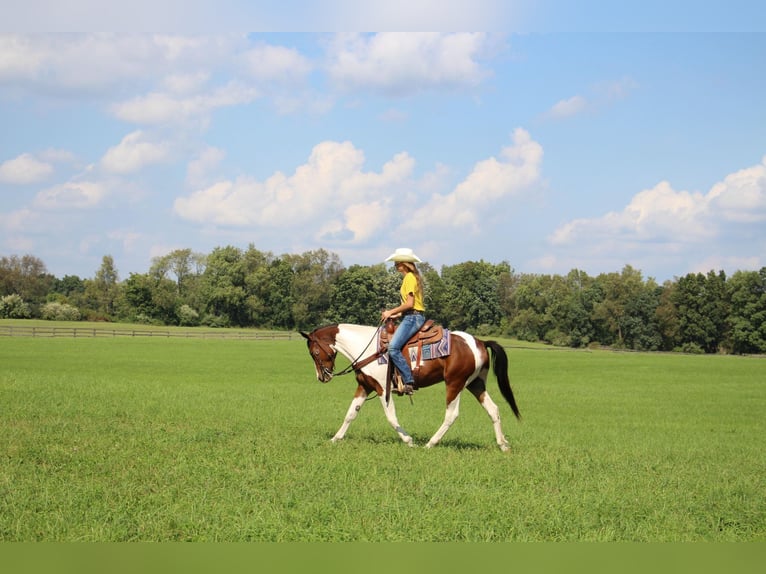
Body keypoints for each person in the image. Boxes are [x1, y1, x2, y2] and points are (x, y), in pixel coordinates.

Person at [381, 248, 426, 395]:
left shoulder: (409, 278)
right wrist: (398, 315)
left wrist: (390, 312)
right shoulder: (411, 277)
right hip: (410, 316)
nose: (395, 266)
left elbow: (410, 304)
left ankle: (408, 380)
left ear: (404, 264)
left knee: (393, 348)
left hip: (413, 318)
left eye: (397, 263)